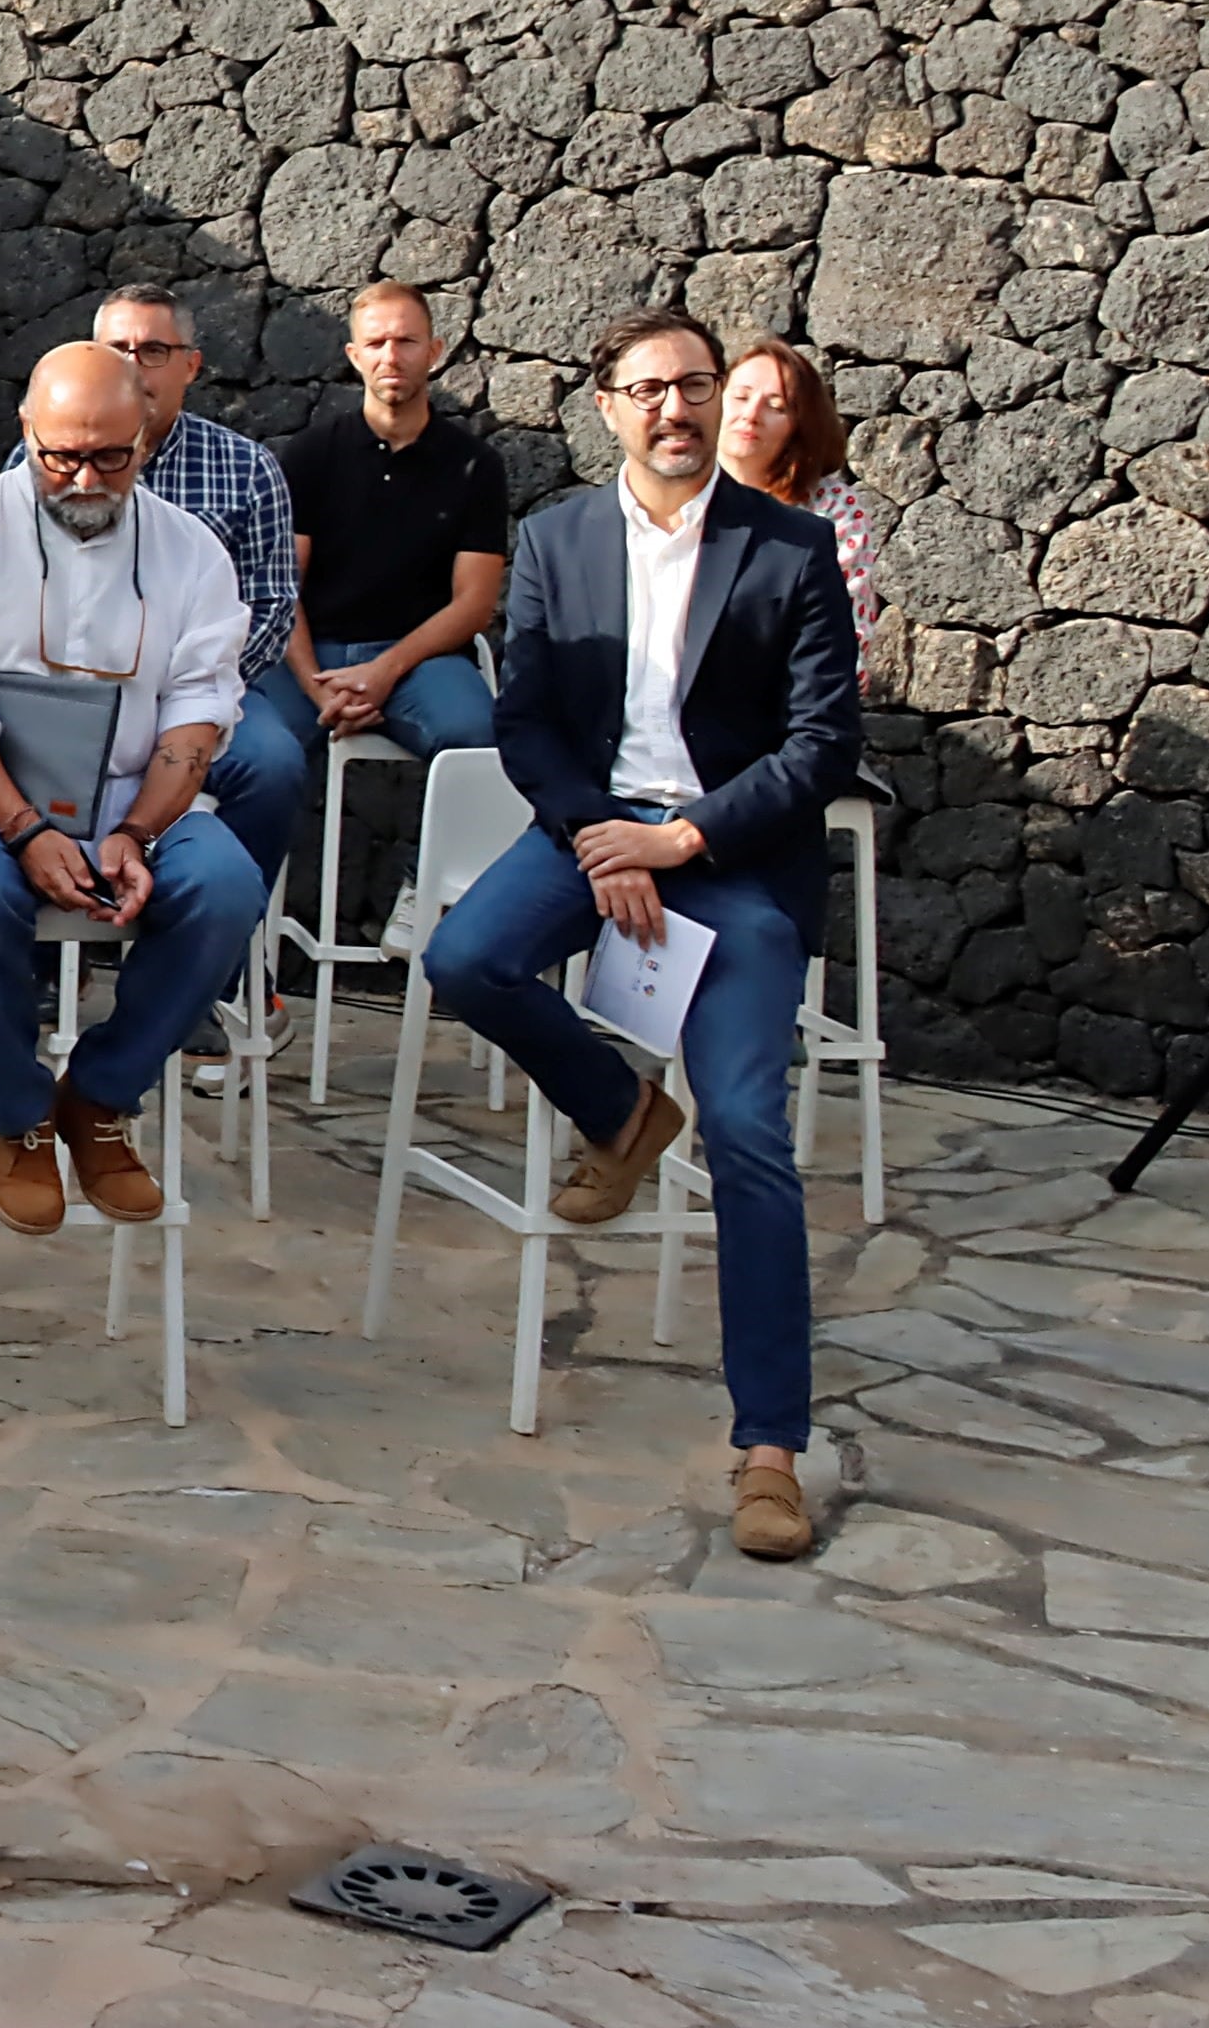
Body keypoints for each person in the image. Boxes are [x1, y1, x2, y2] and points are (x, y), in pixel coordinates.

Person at [421, 304, 862, 1563]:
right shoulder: (557, 538)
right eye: (649, 388)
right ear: (606, 404)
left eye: (697, 386)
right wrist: (598, 830)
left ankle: (770, 1445)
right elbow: (531, 722)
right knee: (467, 958)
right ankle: (619, 1109)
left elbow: (822, 745)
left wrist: (679, 842)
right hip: (594, 832)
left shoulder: (791, 547)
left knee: (750, 1132)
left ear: (723, 401)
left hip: (734, 858)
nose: (677, 407)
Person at [0, 342, 270, 1231]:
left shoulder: (192, 551)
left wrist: (134, 833)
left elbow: (201, 710)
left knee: (226, 885)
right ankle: (21, 1115)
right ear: (27, 431)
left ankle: (100, 1098)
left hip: (132, 799)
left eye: (111, 456)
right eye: (60, 456)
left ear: (147, 439)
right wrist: (25, 829)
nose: (83, 477)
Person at [58, 285, 308, 887]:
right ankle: (56, 940)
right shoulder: (45, 459)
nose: (130, 365)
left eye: (151, 351)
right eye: (116, 348)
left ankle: (218, 950)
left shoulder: (246, 468)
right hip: (76, 686)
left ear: (189, 366)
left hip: (211, 686)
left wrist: (187, 695)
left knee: (273, 766)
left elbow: (272, 603)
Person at [266, 280, 512, 769]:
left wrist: (384, 670)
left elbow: (475, 604)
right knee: (254, 756)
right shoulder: (311, 455)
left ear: (435, 351)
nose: (391, 357)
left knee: (478, 743)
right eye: (376, 343)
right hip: (313, 657)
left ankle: (467, 851)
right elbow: (283, 585)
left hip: (421, 663)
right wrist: (318, 689)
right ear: (355, 356)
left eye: (406, 341)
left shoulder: (475, 465)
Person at [723, 338, 879, 641]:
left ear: (799, 426)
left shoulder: (831, 508)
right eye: (740, 397)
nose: (751, 414)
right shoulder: (676, 491)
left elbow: (844, 638)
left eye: (776, 406)